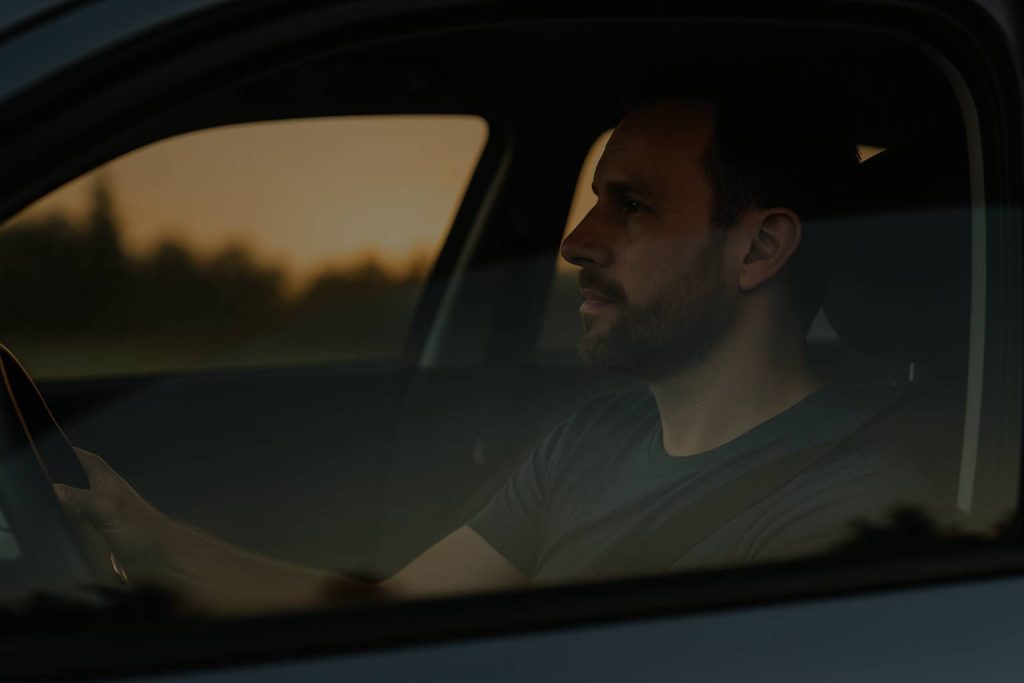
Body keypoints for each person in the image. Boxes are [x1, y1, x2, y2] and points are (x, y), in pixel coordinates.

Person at [53, 86, 922, 616]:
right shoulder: (597, 435)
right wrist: (156, 538)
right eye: (591, 203)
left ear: (761, 249)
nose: (578, 240)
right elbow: (395, 616)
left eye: (634, 207)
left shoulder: (849, 518)